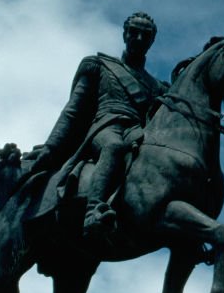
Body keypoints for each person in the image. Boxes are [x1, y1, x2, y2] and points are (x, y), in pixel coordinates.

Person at [27, 12, 168, 237]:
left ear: (152, 40)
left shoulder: (157, 87)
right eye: (134, 32)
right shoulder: (99, 65)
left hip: (136, 132)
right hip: (104, 127)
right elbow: (73, 111)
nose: (139, 39)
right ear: (125, 34)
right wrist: (51, 147)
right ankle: (93, 211)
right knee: (113, 147)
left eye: (146, 35)